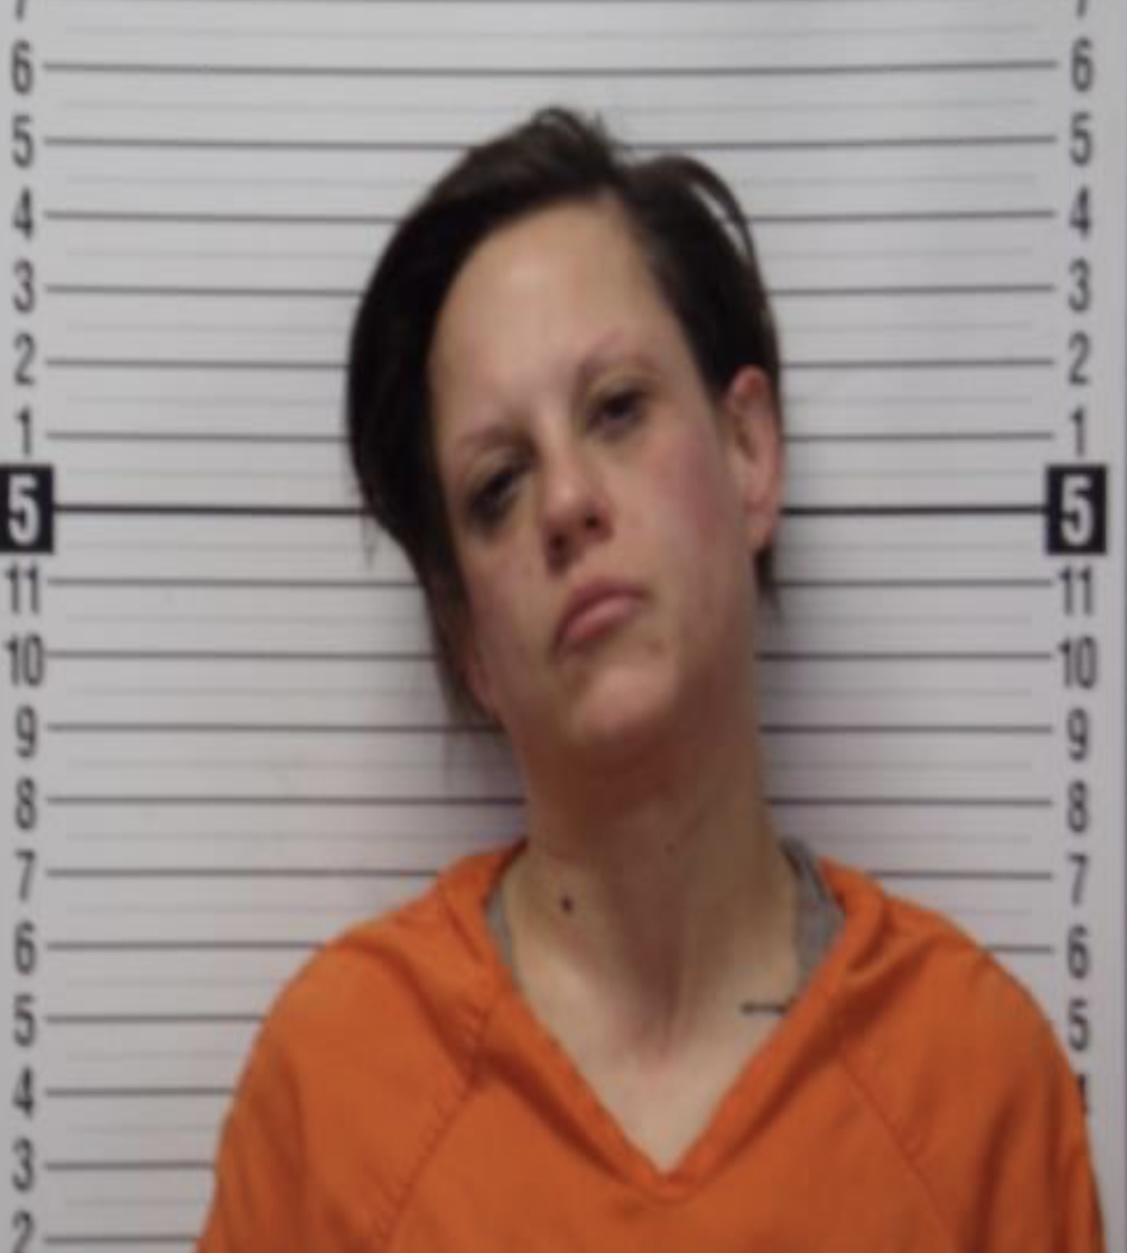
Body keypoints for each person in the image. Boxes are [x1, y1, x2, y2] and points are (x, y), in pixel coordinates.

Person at [197, 107, 1104, 1251]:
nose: (567, 501)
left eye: (617, 409)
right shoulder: (333, 1095)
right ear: (465, 634)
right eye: (496, 484)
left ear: (747, 451)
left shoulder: (974, 1085)